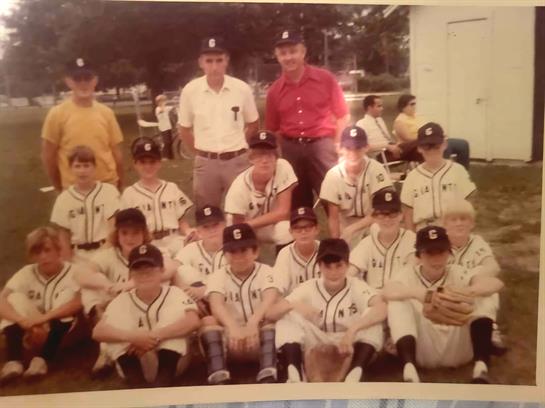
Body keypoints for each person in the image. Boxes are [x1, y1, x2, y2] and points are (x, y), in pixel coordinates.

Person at [383, 226, 504, 383]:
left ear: (449, 253)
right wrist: (421, 294)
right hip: (423, 348)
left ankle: (481, 368)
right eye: (429, 253)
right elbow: (387, 291)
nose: (436, 258)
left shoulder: (458, 271)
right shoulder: (408, 274)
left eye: (441, 251)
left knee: (486, 295)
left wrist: (468, 292)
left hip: (459, 345)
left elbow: (496, 284)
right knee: (397, 302)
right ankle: (409, 371)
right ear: (419, 255)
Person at [266, 238, 386, 383]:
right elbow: (270, 313)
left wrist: (352, 331)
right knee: (287, 317)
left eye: (339, 265)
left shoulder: (356, 286)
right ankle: (295, 374)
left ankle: (354, 375)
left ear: (347, 265)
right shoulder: (309, 286)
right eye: (328, 266)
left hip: (348, 342)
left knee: (373, 321)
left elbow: (382, 308)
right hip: (317, 339)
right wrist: (293, 305)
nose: (333, 272)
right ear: (319, 266)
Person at [74, 208, 178, 375]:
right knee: (90, 289)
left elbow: (171, 267)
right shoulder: (108, 255)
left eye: (136, 232)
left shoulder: (153, 250)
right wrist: (107, 285)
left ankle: (111, 352)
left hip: (150, 309)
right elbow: (80, 275)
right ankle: (106, 349)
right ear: (117, 235)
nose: (130, 238)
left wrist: (130, 284)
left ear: (144, 233)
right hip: (118, 313)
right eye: (125, 233)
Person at [92, 243, 200, 387]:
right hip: (136, 361)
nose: (144, 273)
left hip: (173, 363)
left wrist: (153, 336)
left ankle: (162, 383)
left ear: (162, 270)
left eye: (150, 268)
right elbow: (98, 332)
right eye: (138, 269)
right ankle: (137, 385)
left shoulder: (174, 292)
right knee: (116, 327)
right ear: (130, 274)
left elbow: (193, 321)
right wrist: (133, 337)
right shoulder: (123, 299)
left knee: (175, 322)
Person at [266, 29, 349, 209]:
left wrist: (337, 144)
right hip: (291, 150)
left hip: (322, 146)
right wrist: (284, 153)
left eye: (293, 51)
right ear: (277, 57)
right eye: (283, 53)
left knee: (335, 200)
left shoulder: (325, 79)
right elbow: (273, 129)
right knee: (298, 206)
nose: (288, 57)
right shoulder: (274, 91)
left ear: (303, 52)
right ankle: (304, 237)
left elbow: (342, 115)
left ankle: (341, 236)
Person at [177, 36, 259, 208]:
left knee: (242, 211)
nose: (214, 66)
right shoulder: (190, 91)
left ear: (226, 60)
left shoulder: (241, 88)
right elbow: (184, 129)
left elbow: (253, 124)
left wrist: (240, 144)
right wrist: (201, 153)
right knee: (207, 216)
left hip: (237, 161)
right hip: (206, 163)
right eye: (209, 61)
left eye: (219, 60)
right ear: (201, 62)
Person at [0, 227, 82, 381]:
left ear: (58, 250)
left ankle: (43, 360)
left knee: (67, 295)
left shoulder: (73, 271)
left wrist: (43, 319)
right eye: (37, 252)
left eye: (47, 250)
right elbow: (1, 300)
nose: (43, 256)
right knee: (14, 298)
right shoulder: (27, 272)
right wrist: (22, 320)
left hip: (65, 333)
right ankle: (14, 361)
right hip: (33, 330)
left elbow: (79, 302)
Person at [200, 223, 278, 384]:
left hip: (259, 339)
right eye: (232, 252)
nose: (238, 256)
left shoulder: (266, 271)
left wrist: (253, 324)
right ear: (225, 254)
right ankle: (219, 373)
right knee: (208, 322)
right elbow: (216, 305)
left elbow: (269, 299)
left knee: (273, 319)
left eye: (244, 250)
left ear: (255, 251)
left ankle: (268, 371)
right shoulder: (218, 276)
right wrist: (233, 327)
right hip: (230, 341)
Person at [41, 57, 124, 192]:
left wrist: (120, 184)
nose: (83, 84)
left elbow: (117, 154)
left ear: (95, 80)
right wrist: (59, 187)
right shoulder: (57, 114)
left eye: (87, 78)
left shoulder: (106, 113)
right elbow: (48, 156)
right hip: (74, 188)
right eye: (77, 79)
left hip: (107, 185)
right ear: (69, 82)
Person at [442, 198, 505, 352]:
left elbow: (493, 266)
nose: (459, 223)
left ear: (472, 223)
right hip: (445, 297)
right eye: (453, 219)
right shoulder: (438, 243)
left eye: (463, 219)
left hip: (471, 295)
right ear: (445, 224)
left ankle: (490, 330)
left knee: (487, 282)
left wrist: (472, 280)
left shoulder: (477, 242)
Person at [319, 126, 393, 246]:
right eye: (348, 148)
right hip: (346, 224)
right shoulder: (333, 175)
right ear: (340, 148)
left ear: (366, 147)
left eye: (358, 148)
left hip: (372, 221)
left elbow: (382, 209)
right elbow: (334, 218)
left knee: (378, 230)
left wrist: (353, 228)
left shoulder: (376, 169)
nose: (353, 153)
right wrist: (337, 243)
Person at [121, 137, 195, 256]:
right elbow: (125, 228)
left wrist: (188, 231)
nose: (148, 166)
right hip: (147, 243)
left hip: (174, 239)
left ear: (159, 163)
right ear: (135, 164)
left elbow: (181, 221)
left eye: (152, 162)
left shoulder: (171, 188)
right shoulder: (129, 194)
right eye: (143, 162)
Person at [224, 130, 297, 252]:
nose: (264, 160)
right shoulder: (239, 187)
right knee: (242, 250)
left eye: (269, 154)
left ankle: (283, 267)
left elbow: (283, 212)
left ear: (276, 156)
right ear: (251, 158)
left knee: (286, 230)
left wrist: (248, 225)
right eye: (259, 155)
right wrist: (246, 229)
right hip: (239, 225)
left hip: (261, 224)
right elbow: (238, 225)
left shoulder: (283, 167)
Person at [400, 122, 476, 232]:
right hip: (423, 231)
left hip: (452, 229)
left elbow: (469, 206)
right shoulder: (412, 177)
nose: (431, 151)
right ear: (419, 148)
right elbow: (408, 214)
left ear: (444, 144)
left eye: (435, 146)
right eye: (426, 146)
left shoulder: (457, 171)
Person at [50, 145, 120, 263]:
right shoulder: (64, 198)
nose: (82, 171)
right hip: (77, 255)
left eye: (86, 166)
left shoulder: (108, 191)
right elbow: (64, 236)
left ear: (94, 167)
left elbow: (113, 228)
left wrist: (106, 254)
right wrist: (68, 261)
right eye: (77, 166)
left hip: (105, 251)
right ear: (70, 168)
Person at [349, 190, 416, 290]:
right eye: (381, 214)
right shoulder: (367, 243)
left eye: (392, 214)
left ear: (401, 215)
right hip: (373, 299)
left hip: (403, 297)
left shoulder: (411, 240)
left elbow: (412, 274)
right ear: (374, 217)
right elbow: (350, 274)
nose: (387, 219)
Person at [393, 94, 470, 169]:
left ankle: (463, 172)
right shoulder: (400, 120)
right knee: (444, 146)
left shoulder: (417, 116)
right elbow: (408, 138)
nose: (414, 106)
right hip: (413, 148)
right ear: (403, 106)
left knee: (463, 144)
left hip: (429, 141)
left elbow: (429, 129)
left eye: (415, 103)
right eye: (412, 104)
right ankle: (442, 172)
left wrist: (438, 135)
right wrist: (428, 138)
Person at [173, 205, 227, 308]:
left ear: (225, 225)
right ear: (198, 230)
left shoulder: (235, 249)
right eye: (206, 227)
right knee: (183, 270)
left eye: (215, 225)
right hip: (200, 305)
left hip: (230, 302)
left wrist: (204, 290)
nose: (212, 230)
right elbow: (171, 269)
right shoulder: (191, 249)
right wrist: (186, 291)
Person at [355, 95, 421, 163]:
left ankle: (426, 168)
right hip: (380, 155)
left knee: (420, 151)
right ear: (369, 108)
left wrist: (394, 145)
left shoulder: (380, 120)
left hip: (391, 150)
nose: (382, 108)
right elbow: (363, 146)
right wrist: (387, 146)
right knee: (418, 142)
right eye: (379, 106)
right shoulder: (361, 124)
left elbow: (388, 138)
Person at [272, 207, 320, 296]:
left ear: (317, 229)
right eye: (297, 228)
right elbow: (277, 288)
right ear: (291, 231)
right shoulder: (285, 254)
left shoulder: (326, 250)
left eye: (308, 227)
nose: (303, 232)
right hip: (295, 306)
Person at [154, 94, 174, 160]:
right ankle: (164, 156)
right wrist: (163, 105)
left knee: (170, 141)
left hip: (168, 127)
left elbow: (172, 107)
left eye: (164, 101)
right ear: (158, 102)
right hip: (163, 128)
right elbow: (162, 110)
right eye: (162, 101)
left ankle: (170, 156)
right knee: (166, 142)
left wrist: (175, 106)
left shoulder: (165, 108)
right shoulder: (158, 109)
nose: (164, 102)